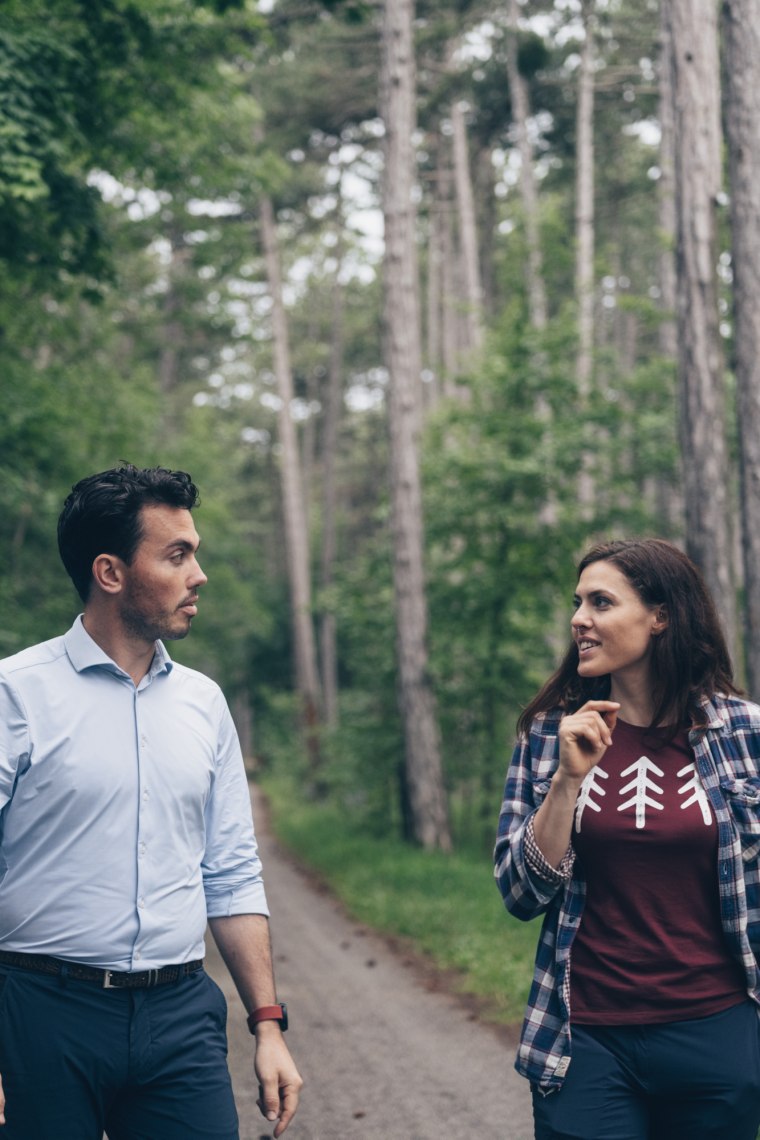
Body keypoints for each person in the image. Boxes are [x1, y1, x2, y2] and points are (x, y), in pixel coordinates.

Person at [0, 464, 303, 1140]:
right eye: (177, 555)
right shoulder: (14, 695)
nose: (199, 575)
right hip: (40, 1016)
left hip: (179, 1018)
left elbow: (231, 873)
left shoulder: (204, 703)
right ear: (110, 572)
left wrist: (268, 1025)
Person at [494, 538, 760, 1140]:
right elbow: (520, 894)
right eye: (577, 602)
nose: (579, 619)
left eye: (601, 602)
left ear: (660, 617)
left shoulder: (745, 733)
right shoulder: (549, 735)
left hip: (717, 1033)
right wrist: (567, 781)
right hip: (585, 1035)